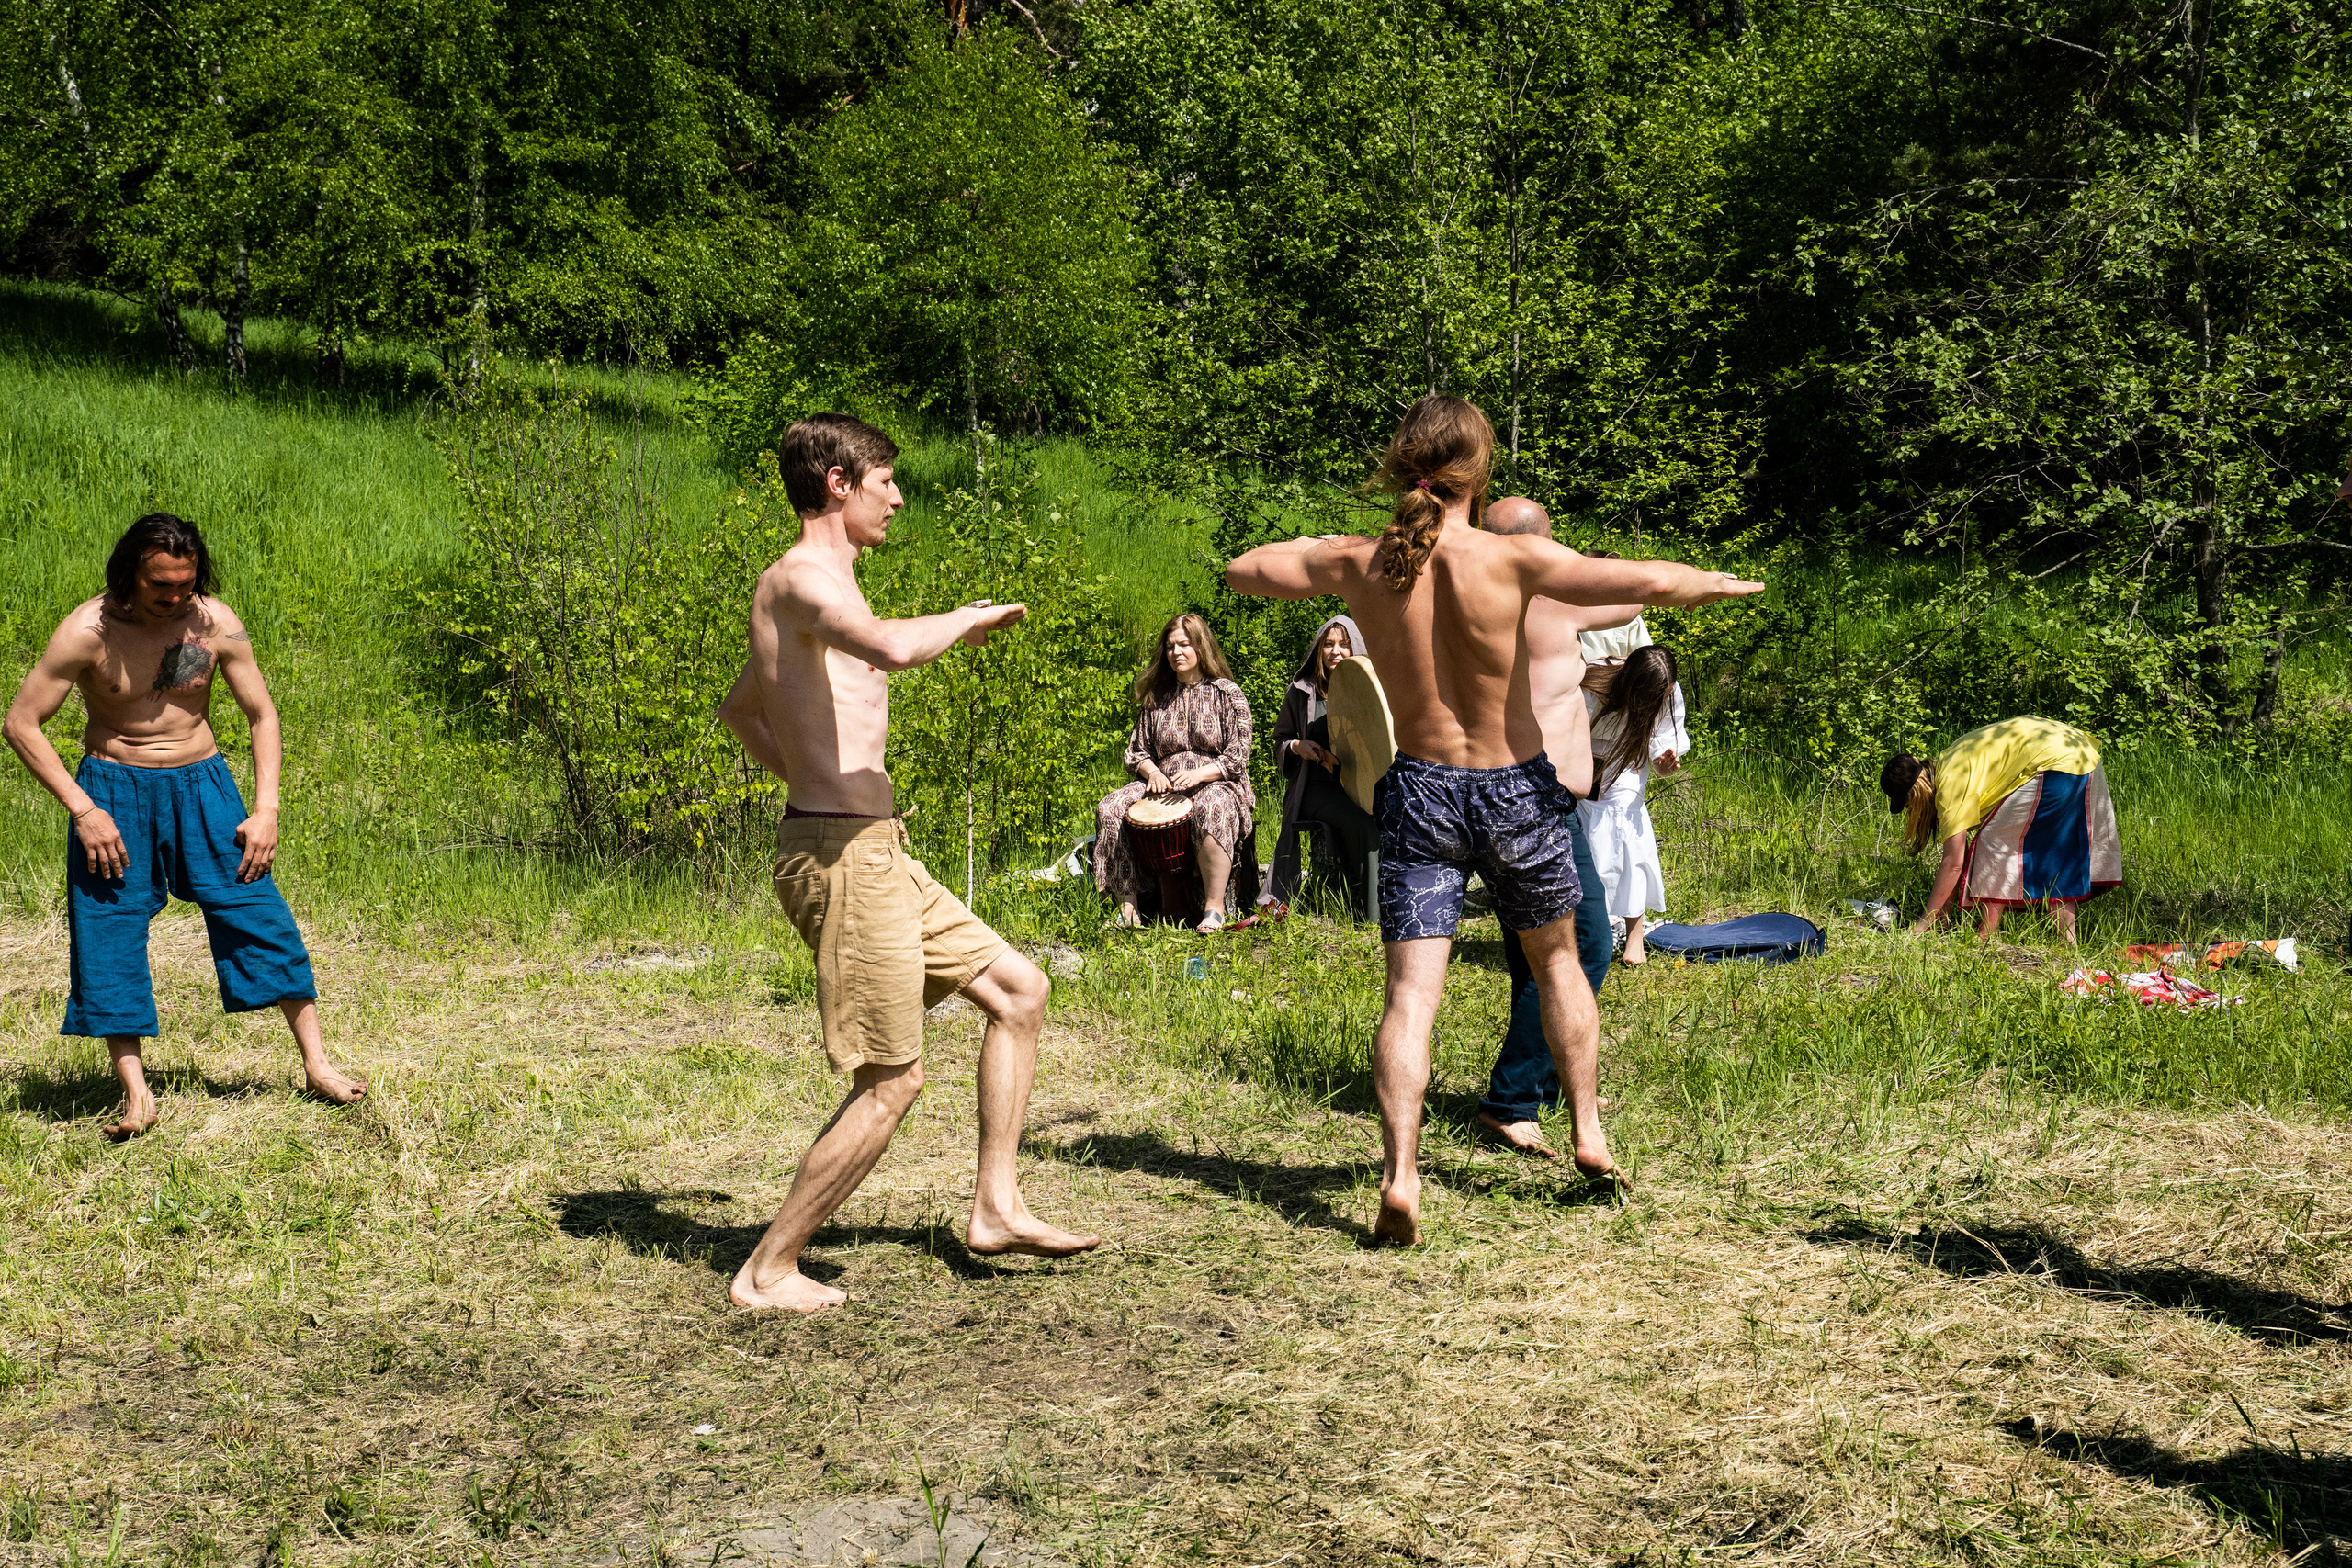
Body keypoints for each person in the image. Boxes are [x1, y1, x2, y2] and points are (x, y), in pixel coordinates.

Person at [1224, 395, 1763, 1243]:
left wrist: (1328, 546)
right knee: (1560, 970)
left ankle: (1401, 1174)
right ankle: (1587, 1132)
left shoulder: (1366, 563)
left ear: (1407, 468)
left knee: (1411, 996)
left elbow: (1245, 568)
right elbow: (1644, 583)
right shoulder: (1510, 561)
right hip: (1513, 788)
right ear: (1479, 474)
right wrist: (1717, 583)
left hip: (1422, 788)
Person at [716, 413, 1100, 1314]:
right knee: (892, 1080)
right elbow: (889, 646)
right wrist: (964, 621)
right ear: (840, 483)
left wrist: (822, 780)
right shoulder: (803, 580)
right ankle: (766, 1270)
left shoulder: (818, 590)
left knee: (1019, 992)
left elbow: (741, 708)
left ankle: (996, 1207)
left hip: (873, 849)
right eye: (886, 479)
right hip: (842, 859)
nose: (898, 496)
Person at [2, 513, 368, 1141]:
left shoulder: (212, 622)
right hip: (113, 792)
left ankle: (317, 1064)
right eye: (159, 585)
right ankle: (137, 1095)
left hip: (203, 786)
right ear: (130, 574)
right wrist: (84, 810)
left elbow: (261, 713)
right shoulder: (87, 632)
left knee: (256, 909)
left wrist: (267, 808)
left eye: (184, 583)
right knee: (107, 930)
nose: (173, 597)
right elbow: (21, 722)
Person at [1468, 499, 1642, 1160]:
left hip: (1513, 799)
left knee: (1532, 958)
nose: (1559, 549)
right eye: (1549, 540)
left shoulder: (1481, 606)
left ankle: (1551, 1081)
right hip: (1535, 802)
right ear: (1525, 550)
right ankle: (1513, 1096)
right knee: (1587, 944)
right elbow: (1631, 598)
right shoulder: (1538, 604)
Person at [1882, 716, 2120, 943]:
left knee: (1992, 839)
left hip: (2056, 763)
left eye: (1909, 804)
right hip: (2080, 753)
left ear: (1916, 793)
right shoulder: (1950, 758)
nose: (1913, 811)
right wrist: (1942, 915)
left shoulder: (1950, 787)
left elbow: (1953, 862)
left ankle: (1986, 934)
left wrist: (1924, 923)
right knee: (2054, 853)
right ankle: (2067, 941)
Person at [1091, 614, 1255, 932]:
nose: (1177, 652)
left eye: (1185, 644)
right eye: (1170, 647)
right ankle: (1128, 909)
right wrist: (1152, 772)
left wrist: (1201, 774)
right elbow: (1136, 751)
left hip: (1218, 782)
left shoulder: (1226, 693)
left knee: (1213, 806)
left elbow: (1238, 755)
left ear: (1201, 646)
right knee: (1110, 807)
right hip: (1163, 784)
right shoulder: (1157, 697)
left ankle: (1214, 909)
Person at [1259, 615, 1377, 917]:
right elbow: (1281, 740)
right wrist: (1298, 747)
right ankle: (1370, 915)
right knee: (1363, 824)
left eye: (1344, 645)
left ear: (1356, 650)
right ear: (1319, 650)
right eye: (1329, 644)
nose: (1336, 651)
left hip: (1360, 783)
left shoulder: (1372, 692)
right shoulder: (1301, 691)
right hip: (1315, 788)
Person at [1580, 644, 1690, 965]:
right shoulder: (1590, 686)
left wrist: (1664, 763)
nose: (1662, 699)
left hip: (1626, 764)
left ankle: (1635, 936)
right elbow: (1562, 735)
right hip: (1580, 762)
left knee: (1626, 831)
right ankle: (1589, 924)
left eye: (1665, 693)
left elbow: (1663, 745)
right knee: (1583, 843)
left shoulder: (1666, 690)